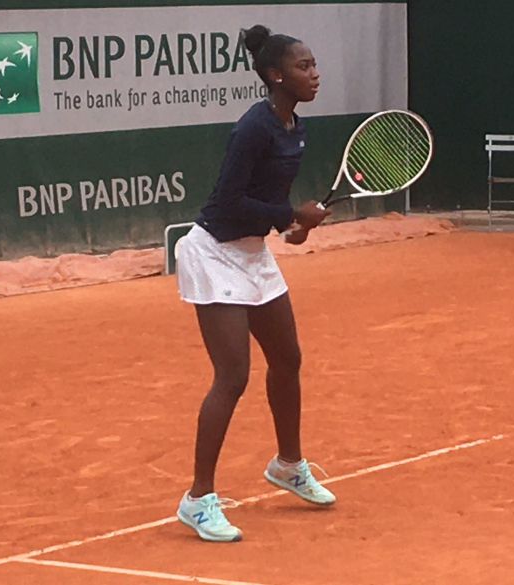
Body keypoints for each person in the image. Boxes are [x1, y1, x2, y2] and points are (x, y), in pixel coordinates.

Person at [174, 24, 335, 543]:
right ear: (275, 76)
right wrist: (290, 214)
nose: (314, 74)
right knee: (233, 375)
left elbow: (266, 203)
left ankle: (288, 464)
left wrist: (290, 228)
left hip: (251, 253)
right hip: (213, 254)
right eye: (304, 67)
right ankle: (198, 500)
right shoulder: (253, 128)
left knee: (287, 358)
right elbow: (228, 200)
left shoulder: (294, 128)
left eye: (313, 65)